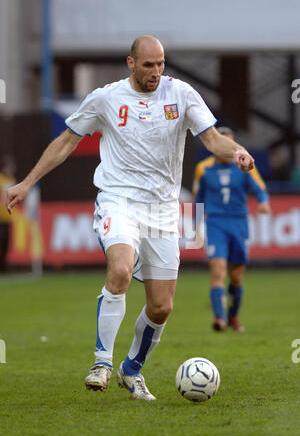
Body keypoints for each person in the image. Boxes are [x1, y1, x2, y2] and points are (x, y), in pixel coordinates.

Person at [5, 36, 254, 400]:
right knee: (120, 269)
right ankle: (101, 363)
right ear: (131, 63)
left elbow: (214, 139)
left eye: (161, 64)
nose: (156, 72)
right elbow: (66, 141)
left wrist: (238, 151)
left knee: (161, 306)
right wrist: (27, 182)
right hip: (119, 200)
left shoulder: (181, 94)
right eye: (148, 65)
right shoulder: (106, 98)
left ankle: (130, 371)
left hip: (163, 210)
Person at [193, 126, 270, 332]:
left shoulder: (244, 167)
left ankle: (233, 316)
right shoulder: (204, 169)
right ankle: (219, 319)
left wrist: (263, 202)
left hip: (239, 223)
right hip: (216, 224)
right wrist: (197, 227)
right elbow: (198, 200)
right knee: (218, 272)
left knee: (236, 276)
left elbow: (260, 190)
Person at [0, 155, 16, 272]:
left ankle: (4, 264)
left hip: (8, 217)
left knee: (6, 242)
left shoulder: (12, 180)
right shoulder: (0, 179)